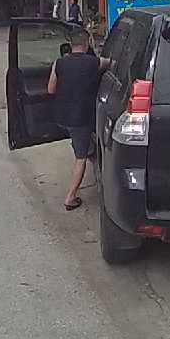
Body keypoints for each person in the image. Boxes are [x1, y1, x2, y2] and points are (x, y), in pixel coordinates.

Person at [48, 28, 112, 210]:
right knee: (80, 157)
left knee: (83, 144)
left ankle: (89, 151)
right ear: (86, 43)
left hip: (62, 116)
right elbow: (111, 63)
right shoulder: (93, 62)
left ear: (70, 44)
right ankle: (70, 197)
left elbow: (50, 89)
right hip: (80, 119)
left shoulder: (59, 63)